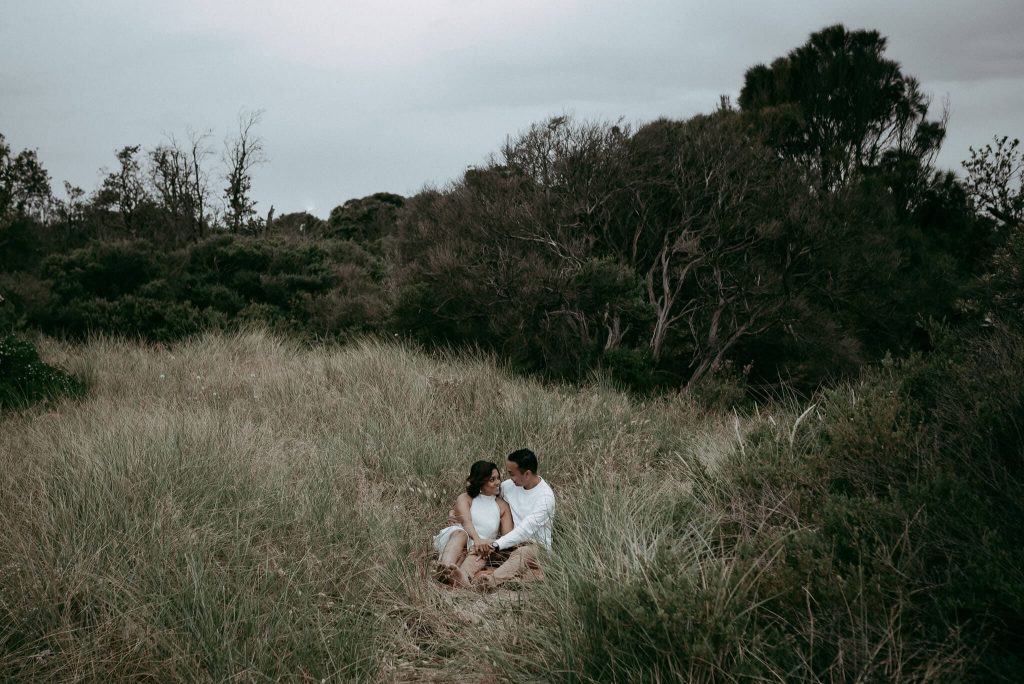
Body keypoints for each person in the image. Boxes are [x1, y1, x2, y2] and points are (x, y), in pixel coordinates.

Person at [461, 448, 555, 590]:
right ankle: (460, 577)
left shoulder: (545, 497)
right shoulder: (510, 486)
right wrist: (455, 512)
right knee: (481, 546)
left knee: (521, 553)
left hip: (536, 547)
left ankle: (489, 582)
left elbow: (525, 530)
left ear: (527, 474)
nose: (508, 478)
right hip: (511, 543)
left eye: (512, 474)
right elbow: (486, 494)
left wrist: (497, 545)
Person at [432, 460, 513, 587]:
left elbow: (507, 537)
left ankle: (459, 576)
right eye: (492, 479)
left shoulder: (502, 506)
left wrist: (485, 542)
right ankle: (444, 570)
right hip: (457, 538)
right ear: (481, 482)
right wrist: (477, 539)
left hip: (479, 546)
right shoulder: (465, 498)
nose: (498, 482)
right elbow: (466, 521)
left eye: (498, 478)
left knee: (484, 548)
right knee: (461, 534)